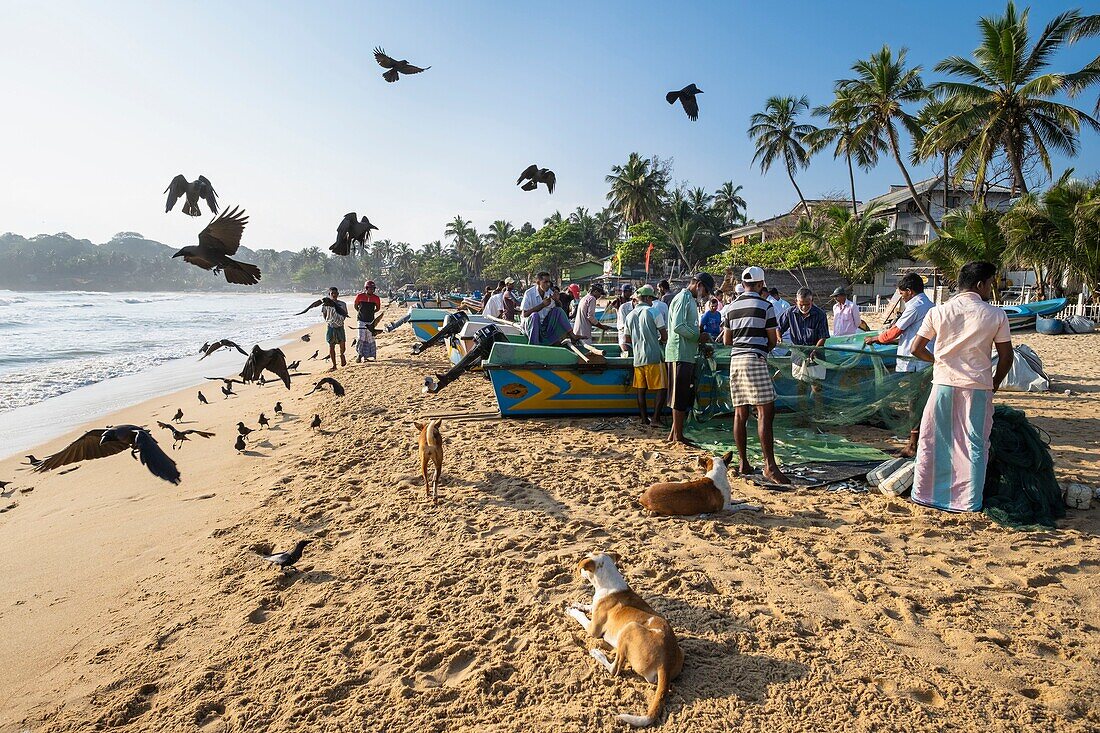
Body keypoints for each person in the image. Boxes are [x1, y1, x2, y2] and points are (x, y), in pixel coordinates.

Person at [909, 261, 1013, 513]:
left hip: (943, 383)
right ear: (980, 284)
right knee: (975, 443)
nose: (991, 288)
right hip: (977, 386)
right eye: (990, 283)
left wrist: (938, 361)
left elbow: (916, 348)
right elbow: (1007, 356)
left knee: (934, 439)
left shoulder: (939, 311)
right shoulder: (995, 314)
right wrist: (995, 381)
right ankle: (967, 501)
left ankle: (926, 494)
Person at [721, 267, 789, 483]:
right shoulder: (766, 306)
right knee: (765, 411)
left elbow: (726, 340)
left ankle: (743, 463)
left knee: (740, 413)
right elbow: (772, 339)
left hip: (736, 361)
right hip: (755, 359)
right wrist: (763, 349)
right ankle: (769, 467)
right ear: (760, 285)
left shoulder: (731, 307)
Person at [864, 273, 936, 456]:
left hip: (917, 362)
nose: (901, 297)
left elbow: (895, 331)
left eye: (902, 294)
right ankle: (919, 442)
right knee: (920, 401)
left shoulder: (916, 306)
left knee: (915, 402)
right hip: (923, 359)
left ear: (909, 292)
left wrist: (876, 338)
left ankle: (913, 445)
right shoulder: (928, 305)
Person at [664, 272, 715, 444]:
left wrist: (699, 340)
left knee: (681, 395)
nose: (706, 296)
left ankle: (674, 434)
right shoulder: (684, 298)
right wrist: (697, 337)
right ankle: (678, 436)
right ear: (698, 285)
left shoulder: (688, 300)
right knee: (679, 396)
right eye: (706, 291)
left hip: (684, 353)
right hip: (680, 353)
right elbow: (679, 326)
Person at [777, 287, 830, 415]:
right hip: (798, 355)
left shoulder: (820, 314)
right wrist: (778, 337)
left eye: (808, 304)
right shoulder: (790, 312)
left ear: (812, 301)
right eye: (802, 304)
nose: (805, 307)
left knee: (816, 387)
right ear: (796, 301)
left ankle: (819, 415)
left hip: (815, 354)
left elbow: (823, 336)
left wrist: (815, 350)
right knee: (801, 387)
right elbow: (778, 327)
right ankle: (803, 415)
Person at [624, 285, 668, 427]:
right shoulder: (653, 311)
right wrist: (656, 340)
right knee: (661, 388)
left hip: (638, 358)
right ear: (648, 298)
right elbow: (664, 335)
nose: (652, 301)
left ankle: (644, 419)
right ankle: (655, 419)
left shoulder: (630, 315)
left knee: (640, 390)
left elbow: (627, 339)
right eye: (652, 299)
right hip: (654, 356)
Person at [352, 280, 382, 362]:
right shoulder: (360, 296)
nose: (372, 290)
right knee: (361, 337)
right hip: (361, 320)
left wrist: (371, 313)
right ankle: (359, 354)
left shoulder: (376, 298)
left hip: (370, 321)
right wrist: (361, 312)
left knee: (370, 338)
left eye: (373, 288)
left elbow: (378, 308)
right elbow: (355, 306)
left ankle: (367, 356)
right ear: (366, 288)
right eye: (370, 288)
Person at [321, 286, 349, 372]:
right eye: (332, 293)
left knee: (342, 344)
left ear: (338, 294)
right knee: (331, 345)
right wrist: (330, 321)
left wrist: (340, 321)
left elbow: (345, 314)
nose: (334, 295)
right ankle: (334, 365)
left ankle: (342, 355)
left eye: (335, 293)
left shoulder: (342, 304)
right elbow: (324, 315)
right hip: (331, 327)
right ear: (329, 294)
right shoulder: (325, 305)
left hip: (340, 326)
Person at [521, 271, 555, 335]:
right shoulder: (529, 293)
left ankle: (568, 335)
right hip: (529, 325)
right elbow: (524, 314)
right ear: (538, 282)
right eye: (545, 282)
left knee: (558, 311)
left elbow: (555, 311)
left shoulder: (550, 293)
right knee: (535, 316)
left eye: (549, 282)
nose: (548, 284)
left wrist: (557, 301)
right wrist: (542, 305)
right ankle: (534, 343)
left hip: (543, 325)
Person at [614, 284, 635, 357]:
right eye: (628, 292)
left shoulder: (631, 301)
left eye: (630, 292)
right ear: (624, 292)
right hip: (623, 329)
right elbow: (623, 323)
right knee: (626, 350)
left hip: (632, 331)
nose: (629, 293)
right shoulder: (618, 301)